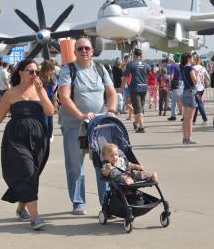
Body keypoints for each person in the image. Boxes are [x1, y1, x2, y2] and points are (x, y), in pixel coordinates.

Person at [0, 59, 54, 230]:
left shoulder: (40, 90)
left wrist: (41, 91)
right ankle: (35, 218)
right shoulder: (10, 94)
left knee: (31, 175)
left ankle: (21, 209)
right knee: (27, 170)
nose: (35, 75)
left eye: (37, 72)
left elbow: (51, 111)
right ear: (20, 72)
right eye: (31, 71)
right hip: (16, 137)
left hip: (38, 138)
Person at [58, 37, 117, 215]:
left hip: (97, 125)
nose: (84, 51)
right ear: (74, 52)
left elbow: (112, 93)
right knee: (76, 165)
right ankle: (78, 202)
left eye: (87, 48)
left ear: (92, 51)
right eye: (80, 49)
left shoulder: (100, 69)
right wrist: (81, 115)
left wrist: (112, 110)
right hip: (74, 124)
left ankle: (106, 202)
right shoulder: (68, 70)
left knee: (103, 162)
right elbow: (64, 97)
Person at [122, 48, 150, 133]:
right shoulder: (146, 65)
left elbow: (126, 76)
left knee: (138, 109)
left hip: (135, 88)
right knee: (140, 108)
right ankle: (135, 123)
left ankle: (141, 127)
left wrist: (122, 86)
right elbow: (147, 75)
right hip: (144, 87)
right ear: (141, 55)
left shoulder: (130, 64)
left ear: (133, 55)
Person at [180, 53, 200, 144]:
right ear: (189, 58)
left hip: (185, 92)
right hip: (191, 92)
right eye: (192, 57)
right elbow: (195, 82)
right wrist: (198, 74)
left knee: (185, 118)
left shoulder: (183, 68)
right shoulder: (190, 69)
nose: (193, 59)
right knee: (190, 118)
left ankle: (184, 137)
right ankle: (189, 138)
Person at [39, 60, 57, 143]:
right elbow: (54, 89)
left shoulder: (39, 76)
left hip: (41, 98)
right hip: (50, 98)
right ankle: (50, 136)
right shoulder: (52, 77)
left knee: (42, 117)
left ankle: (43, 134)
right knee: (50, 117)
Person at [192, 55, 209, 125]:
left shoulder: (193, 68)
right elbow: (208, 77)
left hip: (195, 87)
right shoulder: (203, 68)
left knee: (198, 103)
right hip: (201, 88)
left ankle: (205, 119)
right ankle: (193, 120)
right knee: (196, 103)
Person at [167, 53, 182, 121]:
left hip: (175, 83)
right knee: (181, 100)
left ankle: (173, 115)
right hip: (182, 83)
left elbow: (171, 76)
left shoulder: (173, 66)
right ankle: (183, 115)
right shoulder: (182, 65)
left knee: (173, 100)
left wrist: (170, 83)